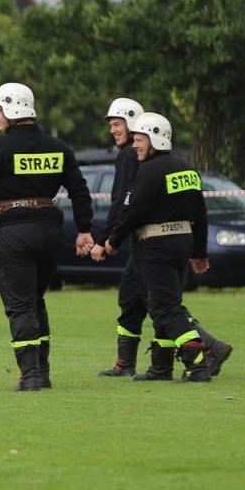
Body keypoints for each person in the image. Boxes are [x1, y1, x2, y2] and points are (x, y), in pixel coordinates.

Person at [0, 82, 94, 391]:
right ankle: (42, 370)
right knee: (35, 300)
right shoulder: (58, 147)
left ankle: (30, 375)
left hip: (13, 230)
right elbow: (79, 190)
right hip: (50, 231)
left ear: (11, 111)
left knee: (20, 305)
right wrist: (83, 230)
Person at [95, 113, 234, 382]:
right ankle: (161, 368)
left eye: (139, 140)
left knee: (164, 308)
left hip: (154, 246)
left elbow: (133, 213)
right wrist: (198, 254)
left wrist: (112, 241)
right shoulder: (188, 170)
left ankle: (197, 364)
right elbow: (201, 215)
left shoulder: (149, 171)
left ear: (154, 139)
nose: (135, 145)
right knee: (168, 303)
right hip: (181, 244)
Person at [98, 97, 148, 377]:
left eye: (117, 124)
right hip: (145, 238)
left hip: (144, 241)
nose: (112, 130)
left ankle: (203, 349)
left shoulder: (129, 155)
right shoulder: (142, 154)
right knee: (135, 298)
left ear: (131, 123)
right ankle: (125, 362)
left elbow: (122, 201)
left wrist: (108, 239)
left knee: (154, 300)